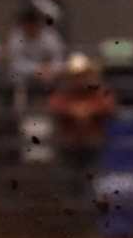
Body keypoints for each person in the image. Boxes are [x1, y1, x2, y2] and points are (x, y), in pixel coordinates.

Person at [48, 51, 118, 179]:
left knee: (94, 179)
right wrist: (72, 110)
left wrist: (89, 110)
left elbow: (109, 106)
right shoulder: (64, 91)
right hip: (69, 145)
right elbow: (54, 105)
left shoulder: (97, 90)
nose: (79, 79)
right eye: (76, 75)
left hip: (93, 144)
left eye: (82, 75)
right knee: (69, 180)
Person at [5, 2, 65, 93]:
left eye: (34, 24)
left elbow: (59, 59)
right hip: (25, 77)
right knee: (13, 76)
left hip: (50, 76)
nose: (31, 28)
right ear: (23, 25)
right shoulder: (16, 37)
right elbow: (15, 63)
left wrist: (51, 69)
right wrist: (37, 69)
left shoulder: (50, 37)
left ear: (39, 24)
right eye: (27, 25)